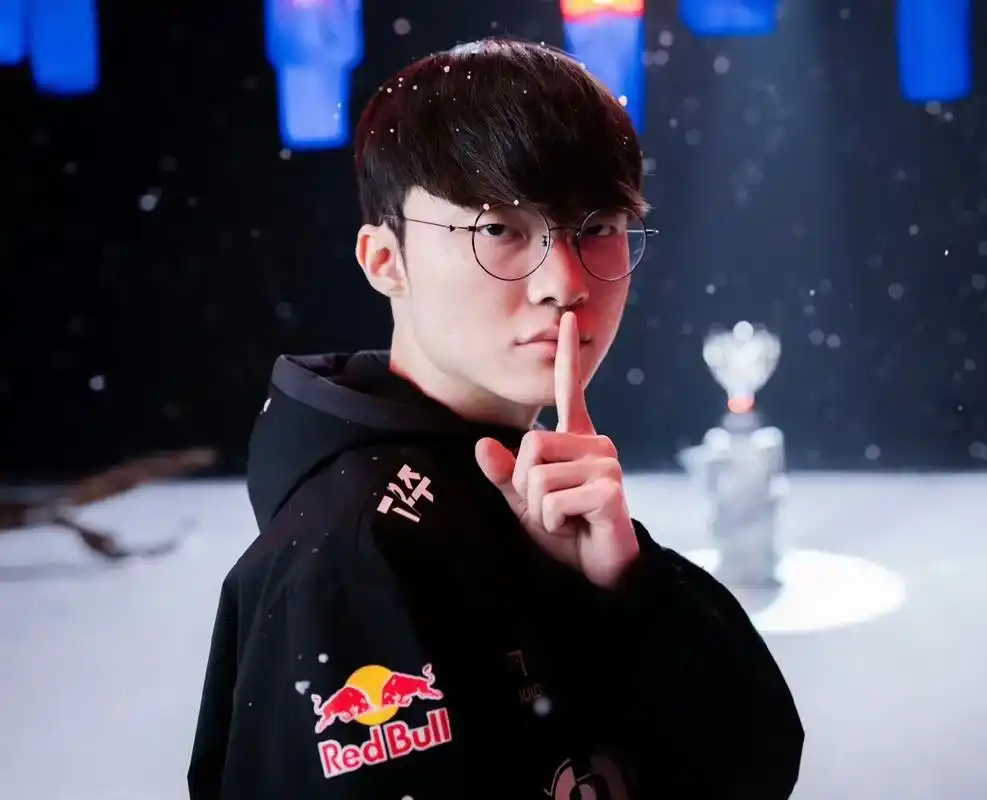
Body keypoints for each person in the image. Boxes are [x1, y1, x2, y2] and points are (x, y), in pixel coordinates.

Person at [188, 38, 803, 800]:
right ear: (385, 261)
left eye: (597, 227)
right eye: (498, 230)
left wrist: (627, 587)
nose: (564, 282)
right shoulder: (355, 551)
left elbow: (757, 765)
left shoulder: (522, 490)